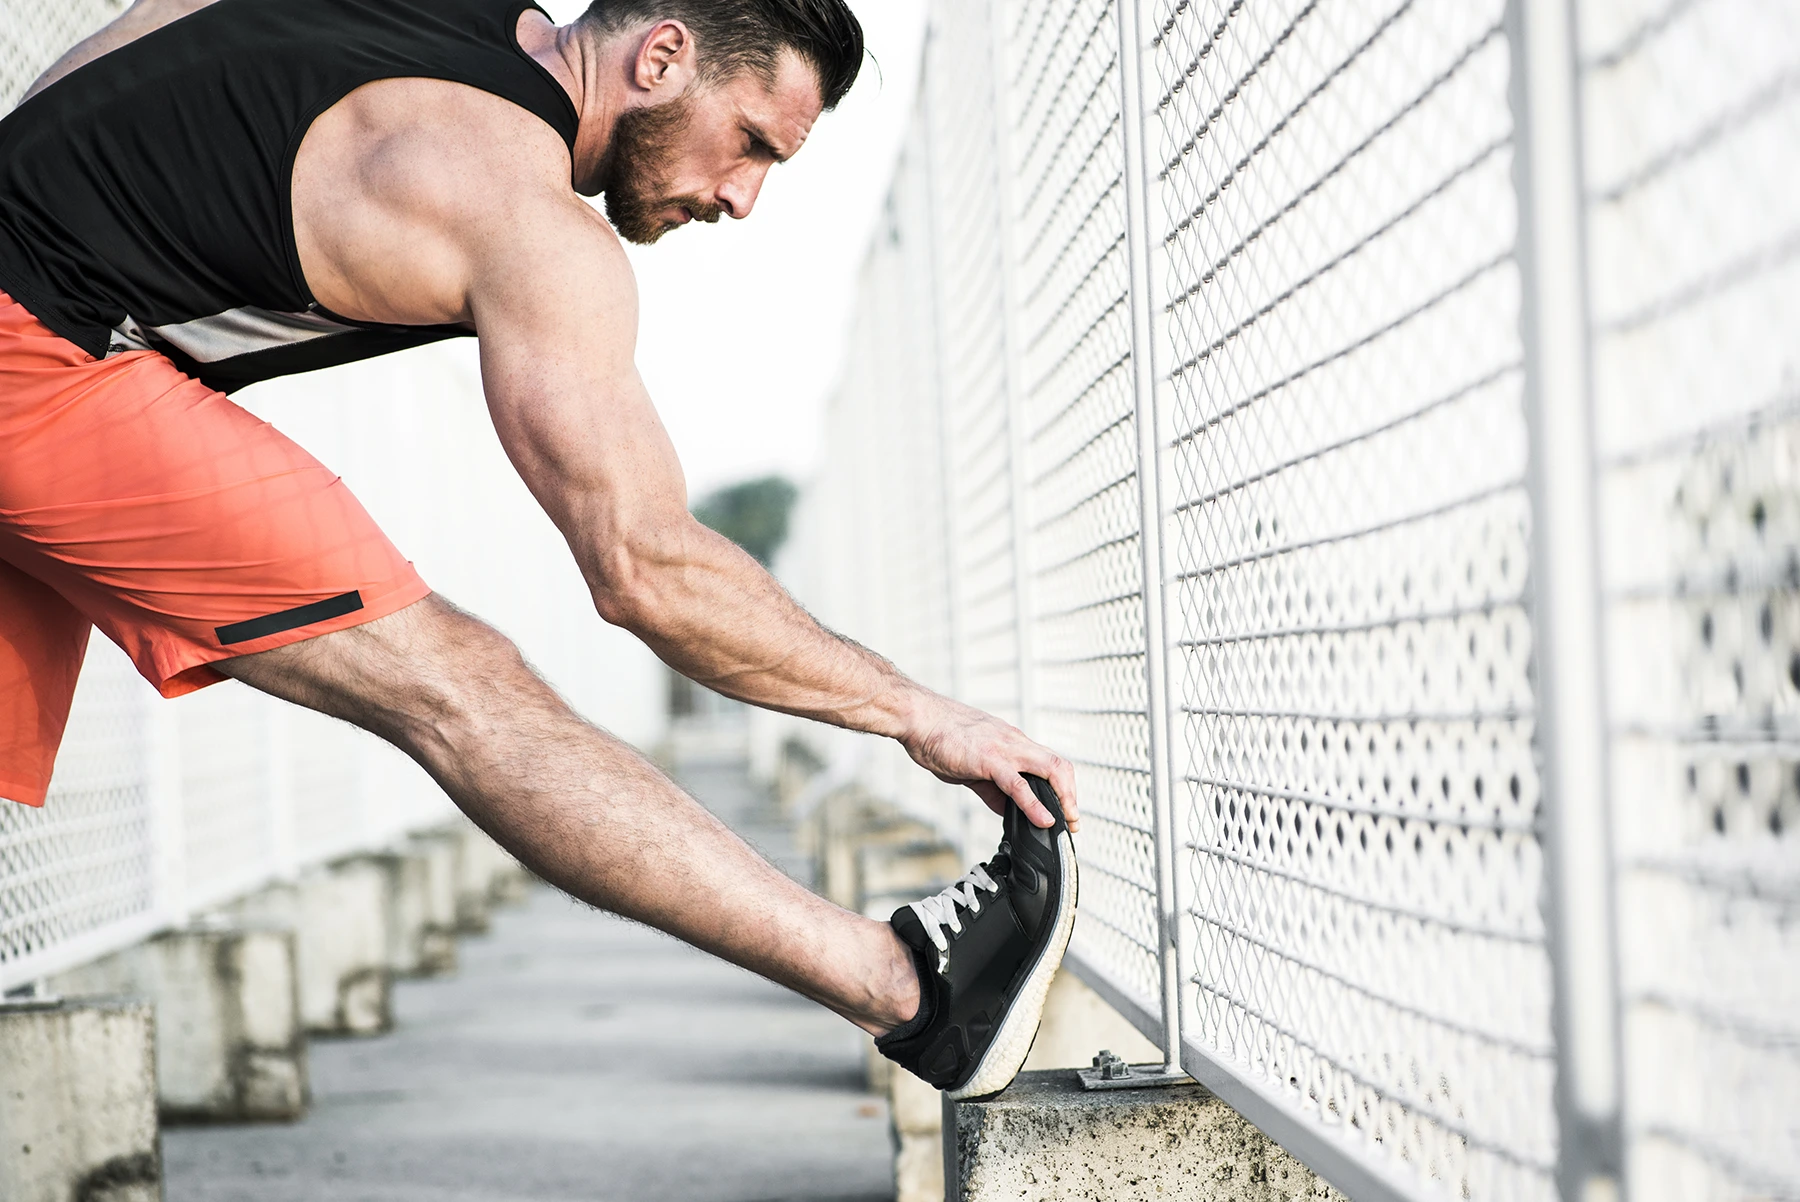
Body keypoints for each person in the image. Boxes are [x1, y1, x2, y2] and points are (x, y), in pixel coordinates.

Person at [0, 0, 1079, 1099]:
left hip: (41, 296)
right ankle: (914, 992)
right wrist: (919, 713)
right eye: (751, 141)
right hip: (38, 353)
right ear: (661, 56)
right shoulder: (530, 218)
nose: (744, 198)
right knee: (464, 688)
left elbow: (137, 38)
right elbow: (646, 568)